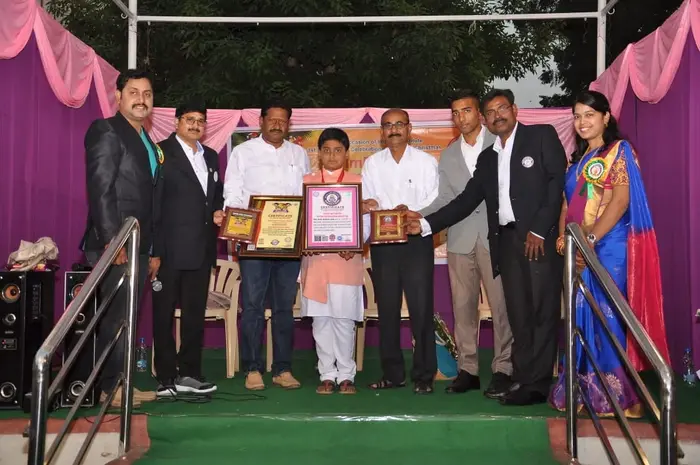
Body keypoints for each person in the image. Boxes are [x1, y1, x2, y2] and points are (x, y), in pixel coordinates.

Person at [405, 89, 567, 405]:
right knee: (518, 314)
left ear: (514, 109)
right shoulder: (489, 157)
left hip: (536, 240)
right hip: (504, 242)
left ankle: (536, 385)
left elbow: (555, 182)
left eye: (501, 108)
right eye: (491, 112)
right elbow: (466, 199)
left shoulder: (540, 137)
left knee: (541, 312)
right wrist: (425, 225)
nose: (496, 116)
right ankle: (523, 379)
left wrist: (539, 229)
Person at [549, 90, 671, 416]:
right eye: (577, 116)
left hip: (609, 246)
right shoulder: (577, 161)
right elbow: (566, 206)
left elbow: (619, 201)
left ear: (606, 117)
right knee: (580, 316)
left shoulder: (619, 151)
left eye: (589, 115)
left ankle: (621, 396)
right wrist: (564, 239)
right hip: (579, 248)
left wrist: (589, 239)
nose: (582, 122)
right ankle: (583, 391)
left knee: (608, 317)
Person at [420, 92, 513, 396]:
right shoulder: (448, 155)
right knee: (462, 308)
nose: (461, 117)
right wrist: (417, 216)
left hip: (496, 237)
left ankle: (503, 368)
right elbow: (446, 199)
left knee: (501, 307)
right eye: (455, 113)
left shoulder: (500, 142)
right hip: (459, 238)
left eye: (466, 111)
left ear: (480, 114)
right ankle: (468, 369)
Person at [80, 69, 160, 408]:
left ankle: (121, 382)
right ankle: (107, 388)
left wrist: (153, 250)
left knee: (127, 318)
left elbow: (151, 199)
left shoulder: (147, 140)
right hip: (116, 244)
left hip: (139, 244)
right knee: (114, 318)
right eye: (134, 92)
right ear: (118, 97)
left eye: (147, 93)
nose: (141, 99)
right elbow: (101, 189)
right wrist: (113, 242)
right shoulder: (107, 130)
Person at [223, 101, 310, 391]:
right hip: (254, 242)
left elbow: (305, 194)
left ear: (289, 125)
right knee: (252, 306)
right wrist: (237, 227)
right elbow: (233, 192)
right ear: (261, 121)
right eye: (272, 119)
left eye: (282, 121)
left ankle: (282, 368)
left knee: (284, 307)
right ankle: (252, 367)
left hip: (289, 243)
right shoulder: (243, 152)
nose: (277, 125)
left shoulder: (299, 154)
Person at [362, 108, 439, 395]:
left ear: (409, 128)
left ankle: (424, 375)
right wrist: (369, 205)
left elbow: (435, 200)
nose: (393, 130)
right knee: (387, 310)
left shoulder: (426, 162)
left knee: (421, 309)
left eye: (399, 124)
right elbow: (369, 200)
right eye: (388, 125)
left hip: (416, 241)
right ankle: (393, 374)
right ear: (381, 132)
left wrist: (412, 211)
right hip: (383, 244)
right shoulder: (372, 163)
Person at [151, 100, 223, 397]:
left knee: (194, 316)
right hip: (168, 250)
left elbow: (214, 197)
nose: (195, 125)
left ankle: (190, 374)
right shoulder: (160, 152)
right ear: (176, 122)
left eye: (200, 121)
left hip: (201, 249)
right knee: (163, 315)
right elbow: (153, 203)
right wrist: (154, 250)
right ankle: (166, 377)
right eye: (189, 119)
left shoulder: (212, 156)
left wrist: (218, 212)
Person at [300, 128, 372, 395]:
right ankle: (327, 374)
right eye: (327, 150)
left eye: (338, 150)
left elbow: (367, 222)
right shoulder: (306, 182)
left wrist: (356, 243)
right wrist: (303, 241)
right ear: (319, 153)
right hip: (315, 263)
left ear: (347, 154)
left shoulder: (358, 182)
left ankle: (346, 374)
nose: (332, 156)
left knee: (343, 320)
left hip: (346, 262)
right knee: (321, 321)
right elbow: (299, 219)